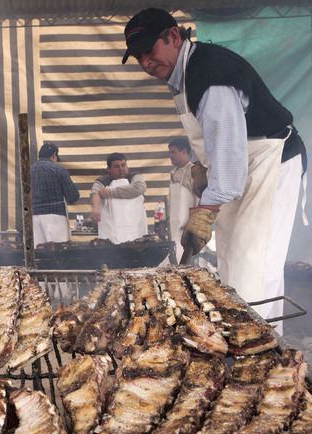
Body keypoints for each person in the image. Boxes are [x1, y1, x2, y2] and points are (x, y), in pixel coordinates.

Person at [122, 8, 307, 331]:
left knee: (254, 268)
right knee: (233, 266)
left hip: (269, 163)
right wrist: (201, 168)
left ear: (174, 37)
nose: (146, 63)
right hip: (241, 166)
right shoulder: (184, 73)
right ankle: (254, 346)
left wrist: (205, 211)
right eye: (138, 57)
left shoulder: (210, 77)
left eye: (150, 51)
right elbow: (217, 139)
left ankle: (261, 362)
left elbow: (230, 169)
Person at [90, 152, 148, 244]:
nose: (121, 169)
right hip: (111, 235)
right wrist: (95, 208)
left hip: (136, 231)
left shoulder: (135, 177)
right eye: (116, 166)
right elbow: (95, 193)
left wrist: (111, 192)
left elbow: (140, 187)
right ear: (109, 169)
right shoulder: (102, 181)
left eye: (123, 165)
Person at [30, 143, 80, 244]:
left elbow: (20, 200)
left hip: (33, 218)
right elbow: (73, 196)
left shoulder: (27, 171)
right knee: (58, 253)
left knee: (37, 255)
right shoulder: (59, 170)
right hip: (55, 217)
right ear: (54, 155)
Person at [167, 137, 199, 260]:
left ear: (184, 152)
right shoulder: (173, 173)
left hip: (189, 224)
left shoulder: (194, 170)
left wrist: (194, 223)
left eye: (173, 152)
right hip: (174, 224)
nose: (170, 156)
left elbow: (197, 198)